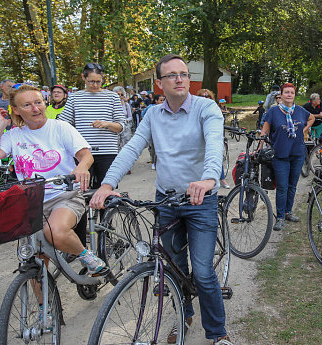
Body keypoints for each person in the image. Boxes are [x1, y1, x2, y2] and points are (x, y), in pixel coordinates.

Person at [89, 54, 232, 345]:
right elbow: (131, 149)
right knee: (174, 268)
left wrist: (208, 179)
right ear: (159, 83)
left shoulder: (206, 108)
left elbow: (215, 144)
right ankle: (184, 317)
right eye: (172, 75)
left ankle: (218, 334)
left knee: (203, 272)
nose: (180, 79)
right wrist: (107, 183)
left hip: (200, 200)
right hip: (166, 200)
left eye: (183, 74)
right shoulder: (153, 114)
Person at [0, 84, 107, 275]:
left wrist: (82, 167)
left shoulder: (60, 128)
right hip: (30, 201)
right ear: (16, 110)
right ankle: (44, 305)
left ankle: (85, 255)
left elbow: (86, 155)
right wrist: (0, 123)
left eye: (38, 102)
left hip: (64, 195)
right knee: (34, 257)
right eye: (27, 105)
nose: (35, 108)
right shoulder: (14, 136)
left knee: (54, 232)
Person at [58, 62, 125, 189]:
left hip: (107, 151)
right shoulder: (75, 98)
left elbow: (121, 126)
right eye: (91, 81)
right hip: (82, 152)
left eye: (98, 82)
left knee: (107, 188)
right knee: (81, 188)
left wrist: (107, 124)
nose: (95, 85)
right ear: (83, 77)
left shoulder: (112, 97)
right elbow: (63, 124)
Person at [260, 83, 315, 231]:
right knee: (282, 187)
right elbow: (264, 131)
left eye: (292, 92)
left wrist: (304, 129)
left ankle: (288, 212)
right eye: (286, 92)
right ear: (281, 95)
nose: (289, 95)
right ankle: (280, 217)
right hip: (280, 155)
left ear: (294, 95)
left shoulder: (300, 111)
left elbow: (312, 118)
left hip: (297, 154)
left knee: (292, 186)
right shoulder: (273, 112)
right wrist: (258, 148)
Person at [197, 89, 230, 189]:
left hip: (212, 137)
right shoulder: (195, 109)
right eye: (202, 96)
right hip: (198, 140)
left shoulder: (214, 108)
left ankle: (222, 179)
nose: (205, 98)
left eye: (207, 96)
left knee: (215, 156)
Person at [112, 86, 133, 150]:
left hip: (125, 128)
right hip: (115, 128)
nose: (120, 96)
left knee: (126, 145)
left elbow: (130, 117)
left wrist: (126, 120)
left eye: (121, 94)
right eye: (118, 94)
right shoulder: (112, 104)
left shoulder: (126, 105)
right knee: (116, 146)